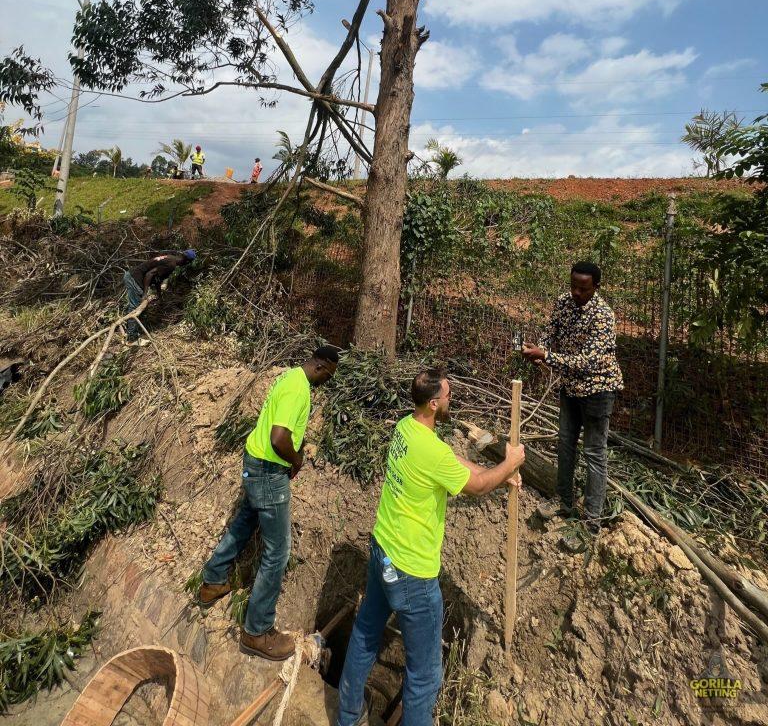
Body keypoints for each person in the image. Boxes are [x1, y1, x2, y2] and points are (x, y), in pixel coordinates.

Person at [335, 369, 525, 726]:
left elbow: (454, 467)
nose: (452, 400)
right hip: (412, 573)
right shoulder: (432, 450)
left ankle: (347, 718)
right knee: (424, 675)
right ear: (435, 403)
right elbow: (478, 486)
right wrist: (509, 463)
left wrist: (501, 471)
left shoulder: (406, 428)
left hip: (382, 553)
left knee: (365, 632)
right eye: (449, 396)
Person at [198, 346, 340, 659]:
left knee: (243, 523)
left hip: (254, 465)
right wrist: (297, 458)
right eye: (331, 373)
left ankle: (212, 582)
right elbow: (279, 437)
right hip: (268, 471)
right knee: (278, 551)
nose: (330, 379)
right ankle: (257, 632)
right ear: (324, 364)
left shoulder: (288, 376)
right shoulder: (298, 389)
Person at [522, 261, 623, 543]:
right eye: (573, 286)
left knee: (594, 453)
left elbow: (586, 361)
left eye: (584, 288)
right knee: (565, 443)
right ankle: (563, 500)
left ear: (596, 287)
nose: (577, 292)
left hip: (597, 389)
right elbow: (550, 332)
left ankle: (592, 521)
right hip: (570, 387)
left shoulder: (603, 316)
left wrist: (547, 357)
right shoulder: (564, 303)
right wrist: (537, 347)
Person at [123, 249, 196, 343]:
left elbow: (157, 279)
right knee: (135, 307)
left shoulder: (170, 258)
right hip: (134, 279)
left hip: (133, 276)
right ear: (186, 261)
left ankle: (136, 332)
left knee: (140, 308)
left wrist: (160, 296)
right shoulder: (171, 265)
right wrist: (145, 294)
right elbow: (149, 274)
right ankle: (131, 339)